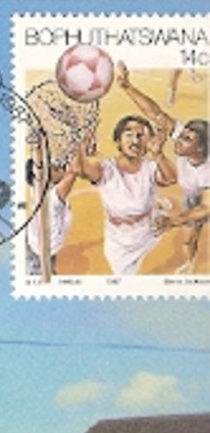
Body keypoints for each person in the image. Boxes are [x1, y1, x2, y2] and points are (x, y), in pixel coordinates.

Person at [115, 62, 208, 273]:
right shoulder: (190, 139)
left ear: (201, 148)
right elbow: (155, 113)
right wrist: (127, 87)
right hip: (193, 190)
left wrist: (174, 220)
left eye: (186, 139)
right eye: (182, 135)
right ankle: (190, 263)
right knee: (189, 238)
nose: (178, 140)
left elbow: (206, 208)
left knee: (191, 223)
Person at [78, 113, 176, 274]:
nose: (135, 140)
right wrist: (81, 145)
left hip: (148, 231)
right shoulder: (106, 169)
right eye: (129, 134)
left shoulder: (150, 167)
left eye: (141, 135)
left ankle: (158, 206)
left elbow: (171, 178)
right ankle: (159, 204)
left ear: (149, 142)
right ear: (118, 141)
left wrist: (158, 154)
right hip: (119, 240)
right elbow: (81, 170)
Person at [24, 157, 77, 276]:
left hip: (38, 243)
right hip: (35, 254)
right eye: (52, 167)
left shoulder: (39, 187)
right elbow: (72, 173)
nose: (57, 167)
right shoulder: (51, 199)